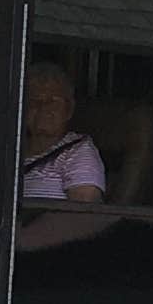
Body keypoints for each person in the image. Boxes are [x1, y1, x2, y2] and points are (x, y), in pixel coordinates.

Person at [20, 61, 106, 203]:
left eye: (53, 101)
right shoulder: (12, 148)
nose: (43, 108)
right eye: (35, 101)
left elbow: (84, 214)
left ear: (69, 109)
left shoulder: (78, 150)